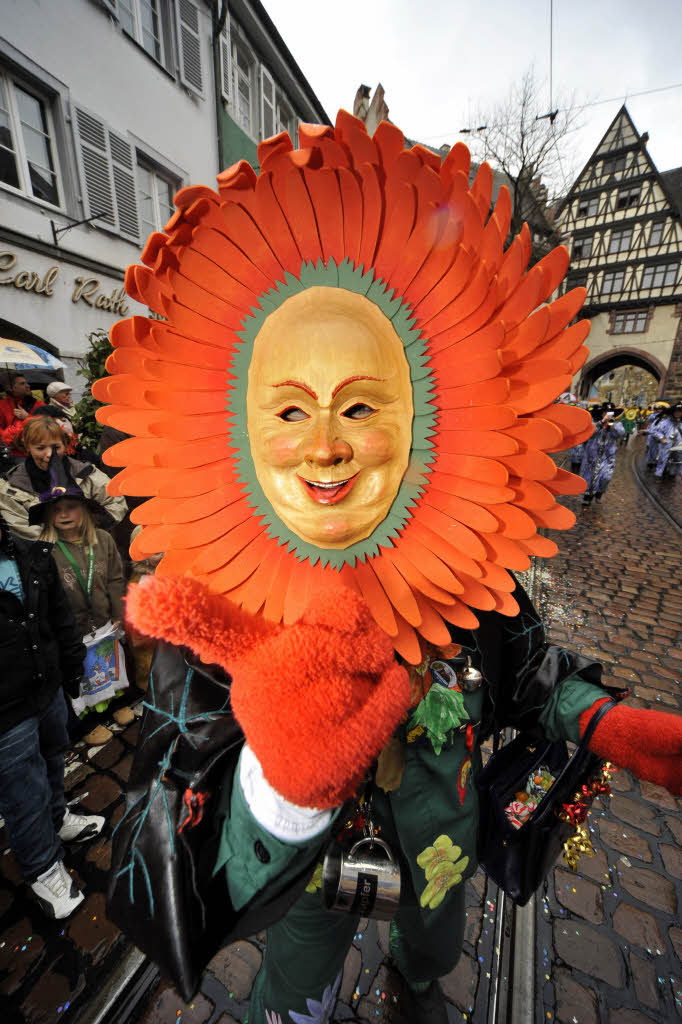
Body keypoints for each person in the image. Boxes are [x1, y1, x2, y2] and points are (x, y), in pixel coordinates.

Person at [103, 111, 682, 1024]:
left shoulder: (469, 575)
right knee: (299, 985)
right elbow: (149, 855)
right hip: (315, 877)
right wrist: (280, 790)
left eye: (360, 405)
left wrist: (608, 722)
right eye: (290, 413)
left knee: (431, 950)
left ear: (426, 424)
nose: (325, 448)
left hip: (441, 840)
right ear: (237, 436)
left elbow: (529, 674)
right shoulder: (216, 611)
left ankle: (413, 985)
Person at [0, 510, 105, 919]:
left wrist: (73, 666)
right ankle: (43, 866)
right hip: (7, 713)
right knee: (23, 791)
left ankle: (58, 817)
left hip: (45, 689)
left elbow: (58, 616)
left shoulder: (29, 554)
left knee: (54, 756)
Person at [0, 417, 127, 540]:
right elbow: (21, 527)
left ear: (65, 445)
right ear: (28, 447)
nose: (49, 454)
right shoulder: (11, 487)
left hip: (91, 550)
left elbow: (116, 501)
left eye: (56, 447)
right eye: (40, 448)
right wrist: (63, 538)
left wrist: (93, 524)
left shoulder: (86, 474)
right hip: (45, 557)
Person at [579, 403, 625, 504]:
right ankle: (588, 498)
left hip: (607, 457)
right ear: (602, 413)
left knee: (606, 477)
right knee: (590, 477)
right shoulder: (594, 423)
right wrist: (601, 423)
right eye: (605, 413)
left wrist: (611, 426)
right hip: (592, 457)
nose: (607, 415)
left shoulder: (617, 424)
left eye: (609, 413)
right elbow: (588, 433)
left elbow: (620, 433)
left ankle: (599, 492)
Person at [0, 373, 45, 458]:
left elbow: (48, 425)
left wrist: (28, 417)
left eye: (26, 383)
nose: (28, 386)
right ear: (10, 388)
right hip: (13, 454)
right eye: (22, 384)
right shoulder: (2, 405)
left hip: (38, 453)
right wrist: (7, 437)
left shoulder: (39, 404)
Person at [650, 401, 682, 478]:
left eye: (680, 412)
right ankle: (658, 474)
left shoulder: (681, 423)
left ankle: (671, 473)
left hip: (677, 445)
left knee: (675, 460)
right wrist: (661, 438)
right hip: (666, 444)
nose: (678, 413)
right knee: (662, 459)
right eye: (677, 411)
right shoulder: (666, 422)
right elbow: (655, 431)